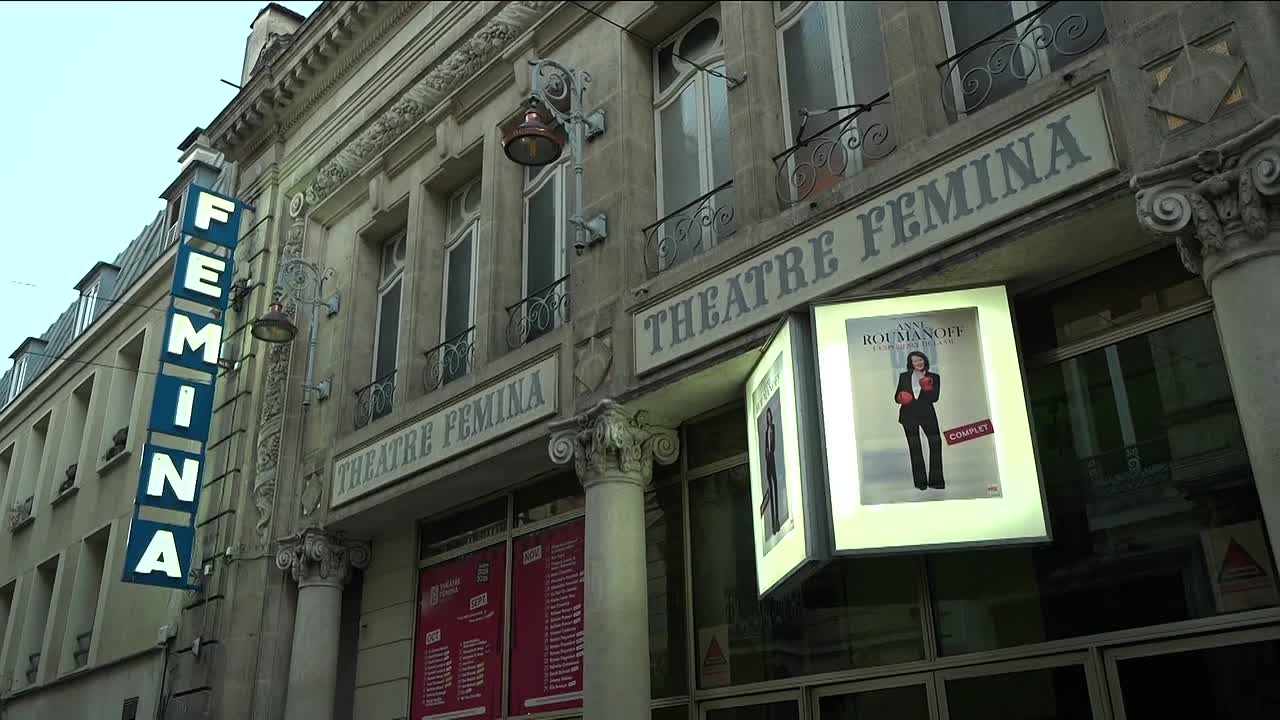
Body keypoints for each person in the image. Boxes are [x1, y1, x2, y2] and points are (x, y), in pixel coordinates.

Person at [894, 351, 945, 490]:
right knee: (914, 447)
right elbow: (896, 397)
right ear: (911, 363)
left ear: (925, 360)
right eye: (915, 361)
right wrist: (901, 397)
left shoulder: (934, 377)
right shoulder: (904, 376)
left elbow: (934, 398)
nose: (918, 363)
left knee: (935, 443)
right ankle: (920, 483)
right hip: (908, 415)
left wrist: (925, 384)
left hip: (927, 414)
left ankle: (936, 482)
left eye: (920, 360)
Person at [763, 407, 780, 534]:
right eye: (767, 417)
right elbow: (766, 446)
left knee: (775, 487)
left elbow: (772, 445)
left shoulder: (773, 428)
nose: (768, 418)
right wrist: (766, 454)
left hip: (772, 458)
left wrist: (770, 452)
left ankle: (777, 521)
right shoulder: (766, 431)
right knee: (771, 486)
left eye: (769, 416)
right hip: (768, 459)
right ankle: (773, 526)